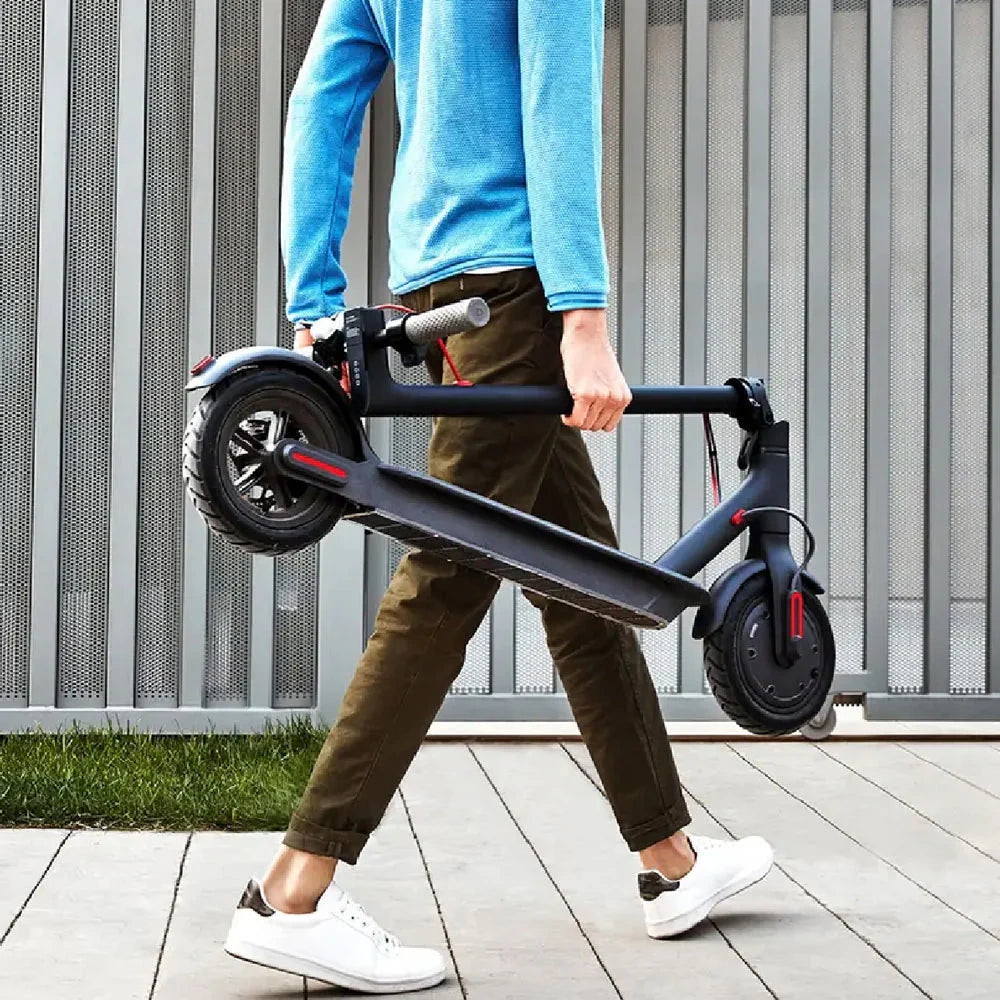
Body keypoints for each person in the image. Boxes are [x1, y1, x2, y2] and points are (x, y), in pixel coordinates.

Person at [224, 0, 773, 992]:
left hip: (439, 293)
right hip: (513, 291)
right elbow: (558, 98)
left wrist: (313, 299)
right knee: (445, 577)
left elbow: (324, 97)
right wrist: (583, 314)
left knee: (579, 578)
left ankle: (669, 862)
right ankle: (292, 892)